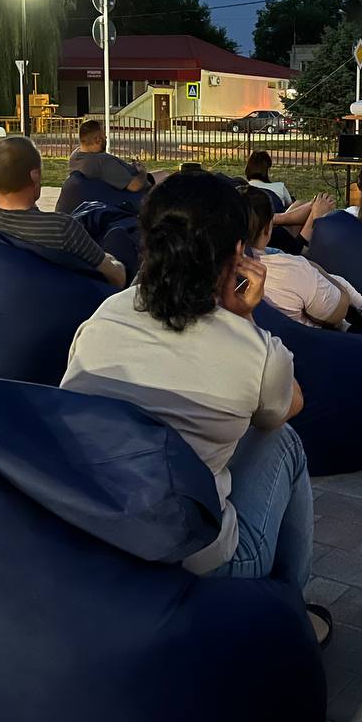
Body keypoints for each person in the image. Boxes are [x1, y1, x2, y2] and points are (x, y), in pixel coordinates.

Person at [60, 171, 330, 644]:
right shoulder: (254, 351)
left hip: (95, 539)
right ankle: (285, 614)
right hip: (196, 562)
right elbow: (291, 405)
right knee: (282, 439)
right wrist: (245, 318)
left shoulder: (102, 319)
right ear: (238, 256)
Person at [0, 136, 126, 288]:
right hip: (67, 306)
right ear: (34, 177)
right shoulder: (61, 227)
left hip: (4, 296)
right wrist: (111, 259)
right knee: (118, 239)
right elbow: (117, 279)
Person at [243, 187, 362, 329]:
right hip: (305, 337)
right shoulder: (288, 268)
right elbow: (338, 310)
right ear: (267, 228)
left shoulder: (224, 274)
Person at [68, 119, 171, 192]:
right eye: (104, 135)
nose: (106, 137)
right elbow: (134, 186)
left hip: (114, 185)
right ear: (98, 140)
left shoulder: (75, 156)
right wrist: (142, 171)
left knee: (164, 174)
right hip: (135, 191)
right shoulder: (103, 162)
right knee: (167, 177)